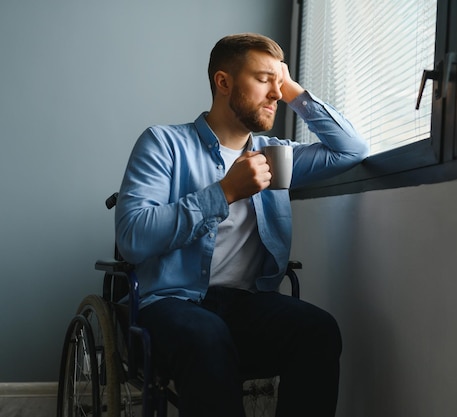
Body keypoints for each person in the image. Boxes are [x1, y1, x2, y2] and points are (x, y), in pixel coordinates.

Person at [114, 33, 368, 417]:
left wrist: (294, 91)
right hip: (172, 303)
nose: (275, 94)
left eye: (279, 81)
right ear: (224, 82)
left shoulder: (277, 156)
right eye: (264, 79)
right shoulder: (163, 144)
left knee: (318, 330)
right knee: (206, 335)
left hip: (248, 304)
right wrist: (224, 193)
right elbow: (132, 238)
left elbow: (351, 149)